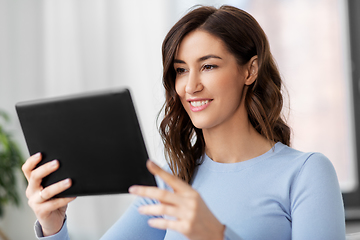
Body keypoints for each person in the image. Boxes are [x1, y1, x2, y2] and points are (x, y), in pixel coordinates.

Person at [22, 5, 346, 240]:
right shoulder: (171, 184)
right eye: (180, 70)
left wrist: (215, 236)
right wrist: (53, 226)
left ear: (250, 70)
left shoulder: (306, 173)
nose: (190, 86)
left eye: (208, 66)